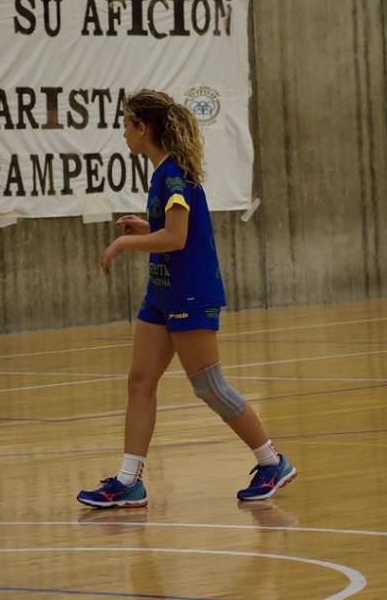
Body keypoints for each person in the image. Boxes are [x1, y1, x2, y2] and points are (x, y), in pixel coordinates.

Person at [76, 90, 296, 508]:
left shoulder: (173, 175)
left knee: (209, 386)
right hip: (162, 292)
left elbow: (176, 239)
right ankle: (128, 482)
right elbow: (177, 229)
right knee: (140, 382)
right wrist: (147, 227)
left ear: (144, 128)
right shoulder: (163, 174)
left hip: (190, 293)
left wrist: (123, 245)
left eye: (126, 124)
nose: (123, 133)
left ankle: (272, 462)